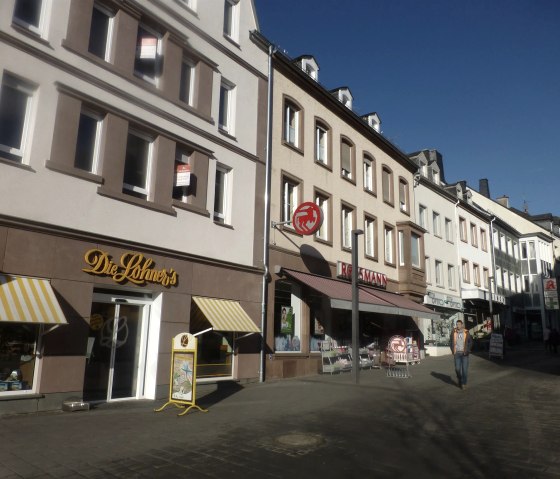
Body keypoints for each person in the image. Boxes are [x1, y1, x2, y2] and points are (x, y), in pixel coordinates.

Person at [450, 319, 473, 389]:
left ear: (462, 325)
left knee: (464, 370)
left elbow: (470, 342)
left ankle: (464, 383)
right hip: (457, 354)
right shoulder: (453, 332)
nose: (458, 326)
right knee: (457, 369)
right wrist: (452, 350)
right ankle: (460, 379)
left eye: (459, 324)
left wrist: (468, 350)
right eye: (457, 324)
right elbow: (451, 342)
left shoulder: (466, 332)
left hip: (464, 354)